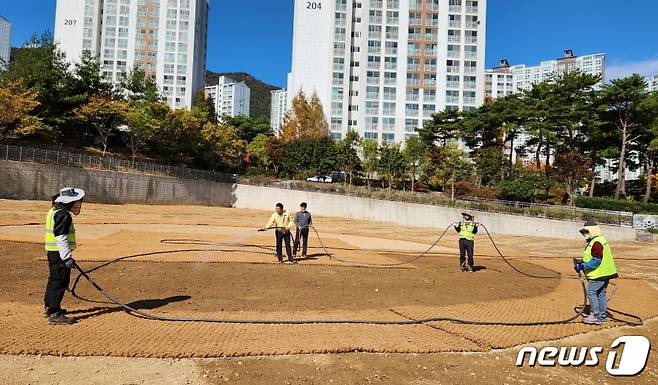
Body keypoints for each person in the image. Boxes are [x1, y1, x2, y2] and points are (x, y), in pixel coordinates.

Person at [44, 187, 86, 325]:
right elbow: (61, 237)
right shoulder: (63, 215)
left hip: (53, 252)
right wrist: (67, 257)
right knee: (60, 281)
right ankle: (54, 314)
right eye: (74, 201)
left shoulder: (54, 210)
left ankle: (50, 308)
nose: (76, 204)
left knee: (54, 279)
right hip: (59, 254)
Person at [574, 220, 618, 325]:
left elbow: (596, 261)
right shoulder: (599, 240)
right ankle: (602, 317)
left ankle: (595, 315)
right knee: (601, 294)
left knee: (591, 293)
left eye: (587, 231)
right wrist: (583, 262)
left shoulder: (596, 243)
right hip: (606, 273)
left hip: (598, 274)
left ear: (593, 231)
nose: (585, 234)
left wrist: (582, 266)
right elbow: (594, 257)